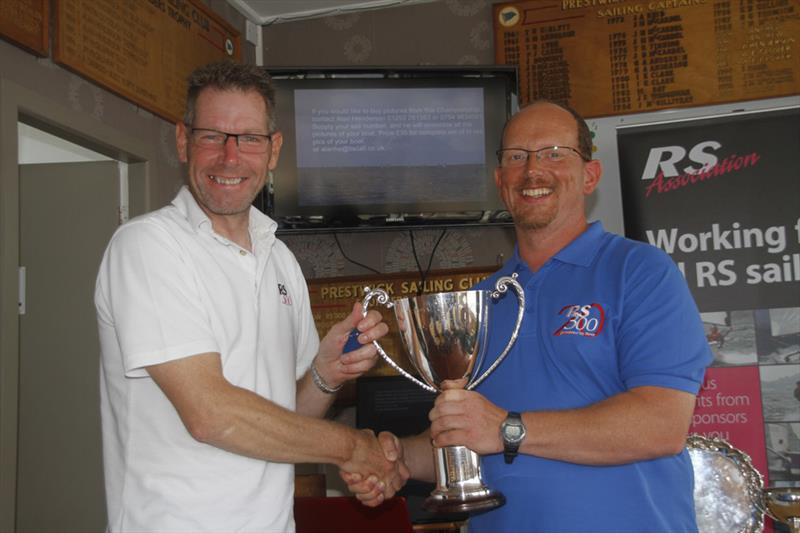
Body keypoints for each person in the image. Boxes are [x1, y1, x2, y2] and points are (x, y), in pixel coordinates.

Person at [344, 101, 713, 532]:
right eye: (516, 157)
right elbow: (469, 435)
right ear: (501, 182)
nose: (533, 170)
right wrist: (398, 459)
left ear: (589, 176)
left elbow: (661, 425)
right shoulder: (480, 303)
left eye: (554, 153)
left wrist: (509, 429)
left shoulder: (640, 271)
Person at [95, 61, 406, 532]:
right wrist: (352, 448)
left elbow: (283, 420)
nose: (230, 156)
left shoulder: (279, 258)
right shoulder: (148, 246)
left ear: (273, 149)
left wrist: (325, 373)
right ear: (183, 141)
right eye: (212, 136)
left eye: (249, 139)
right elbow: (212, 415)